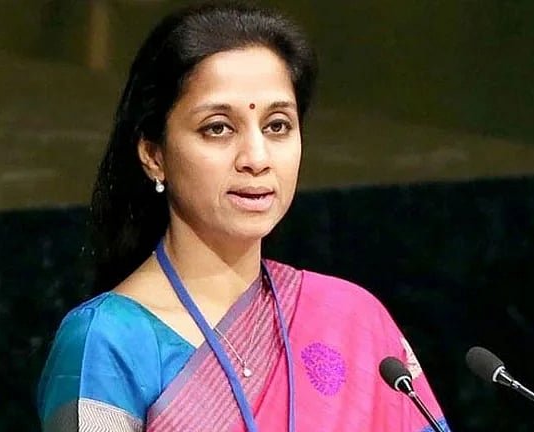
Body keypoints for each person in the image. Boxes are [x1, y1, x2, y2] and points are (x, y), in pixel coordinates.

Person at [36, 2, 450, 431]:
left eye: (277, 126)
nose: (256, 158)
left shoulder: (353, 319)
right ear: (154, 155)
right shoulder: (107, 342)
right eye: (218, 128)